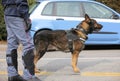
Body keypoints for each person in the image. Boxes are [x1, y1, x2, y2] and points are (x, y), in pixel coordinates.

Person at [1, 0, 41, 81]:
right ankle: (29, 76)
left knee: (12, 44)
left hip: (8, 13)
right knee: (28, 44)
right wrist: (26, 16)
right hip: (17, 14)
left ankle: (12, 75)